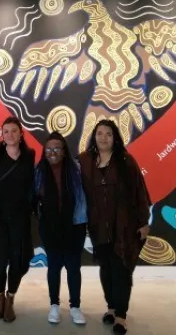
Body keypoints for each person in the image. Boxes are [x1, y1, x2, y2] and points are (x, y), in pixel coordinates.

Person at [78, 120, 151, 335]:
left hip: (124, 227)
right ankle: (110, 307)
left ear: (115, 137)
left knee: (121, 269)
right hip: (98, 226)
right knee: (106, 269)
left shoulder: (126, 161)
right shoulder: (85, 161)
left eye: (108, 134)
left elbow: (140, 192)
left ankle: (121, 316)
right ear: (94, 136)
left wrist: (144, 221)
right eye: (99, 133)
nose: (103, 138)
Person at [0, 116, 35, 323]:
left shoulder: (29, 155)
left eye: (14, 131)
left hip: (19, 218)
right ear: (2, 134)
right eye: (6, 131)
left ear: (21, 133)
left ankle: (10, 297)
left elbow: (32, 185)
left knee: (18, 260)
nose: (10, 135)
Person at [34, 131, 88, 325]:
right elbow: (33, 199)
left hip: (74, 225)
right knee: (54, 268)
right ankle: (54, 305)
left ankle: (75, 307)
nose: (52, 152)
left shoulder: (78, 169)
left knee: (74, 268)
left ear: (64, 151)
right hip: (50, 228)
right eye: (48, 149)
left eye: (57, 148)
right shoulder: (39, 171)